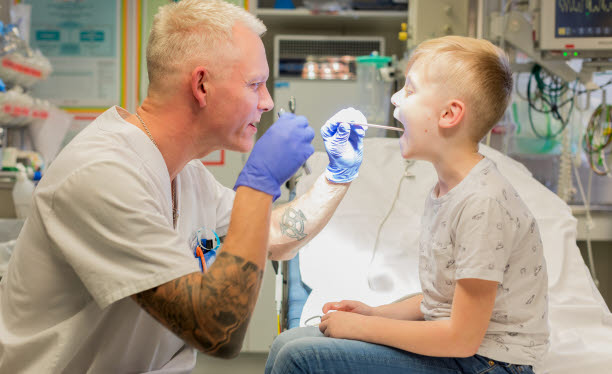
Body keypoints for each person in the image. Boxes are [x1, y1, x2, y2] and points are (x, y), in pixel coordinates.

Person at [0, 1, 368, 373]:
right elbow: (217, 330)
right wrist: (260, 184)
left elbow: (269, 234)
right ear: (202, 85)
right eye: (255, 84)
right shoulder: (102, 174)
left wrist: (336, 177)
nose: (267, 102)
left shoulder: (184, 173)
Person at [265, 35, 550, 374]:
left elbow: (460, 338)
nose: (396, 98)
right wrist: (373, 314)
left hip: (489, 365)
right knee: (288, 342)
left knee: (299, 359)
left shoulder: (482, 203)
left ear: (449, 114)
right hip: (466, 355)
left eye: (410, 90)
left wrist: (362, 329)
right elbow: (442, 302)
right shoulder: (448, 190)